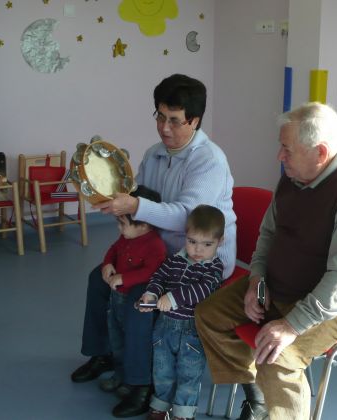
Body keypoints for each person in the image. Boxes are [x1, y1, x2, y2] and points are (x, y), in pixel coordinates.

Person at [195, 102, 337, 420]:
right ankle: (257, 398)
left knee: (277, 358)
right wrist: (256, 279)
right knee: (208, 316)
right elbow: (268, 235)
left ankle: (278, 403)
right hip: (281, 285)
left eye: (287, 149)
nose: (280, 157)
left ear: (320, 153)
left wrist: (291, 325)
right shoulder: (294, 177)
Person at [70, 73, 236, 419]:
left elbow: (190, 218)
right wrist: (115, 203)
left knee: (138, 299)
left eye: (174, 120)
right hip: (157, 251)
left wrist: (133, 207)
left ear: (194, 120)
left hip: (196, 260)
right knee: (97, 279)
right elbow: (139, 198)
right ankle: (103, 354)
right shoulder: (153, 154)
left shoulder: (210, 160)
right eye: (159, 116)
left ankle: (141, 383)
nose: (164, 127)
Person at [139, 205, 225, 420]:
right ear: (185, 237)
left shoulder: (214, 268)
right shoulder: (175, 260)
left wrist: (173, 298)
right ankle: (160, 406)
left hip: (192, 332)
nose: (197, 250)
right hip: (164, 327)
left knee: (189, 375)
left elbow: (204, 290)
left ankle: (182, 414)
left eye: (207, 244)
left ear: (220, 242)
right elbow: (159, 278)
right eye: (192, 242)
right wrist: (151, 294)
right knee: (162, 371)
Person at [98, 186, 167, 394]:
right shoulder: (126, 237)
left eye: (122, 223)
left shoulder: (155, 245)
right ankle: (118, 374)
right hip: (115, 301)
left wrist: (124, 277)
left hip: (130, 301)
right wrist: (107, 263)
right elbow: (113, 250)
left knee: (131, 342)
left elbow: (151, 272)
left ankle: (132, 380)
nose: (119, 228)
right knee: (116, 340)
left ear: (144, 225)